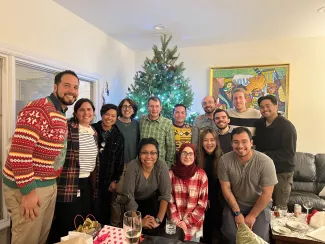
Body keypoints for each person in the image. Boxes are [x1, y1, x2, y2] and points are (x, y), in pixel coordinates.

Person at [2, 70, 79, 244]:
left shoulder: (59, 112)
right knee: (26, 239)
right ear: (55, 87)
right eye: (67, 85)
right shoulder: (39, 109)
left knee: (40, 238)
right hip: (30, 187)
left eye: (75, 87)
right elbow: (19, 153)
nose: (72, 90)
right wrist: (28, 191)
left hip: (47, 184)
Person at [48, 98, 98, 242]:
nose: (86, 113)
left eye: (89, 109)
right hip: (69, 183)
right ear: (76, 112)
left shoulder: (93, 132)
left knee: (84, 223)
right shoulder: (68, 128)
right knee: (67, 224)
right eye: (82, 109)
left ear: (93, 112)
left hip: (87, 184)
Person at [218, 127, 278, 243]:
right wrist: (237, 212)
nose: (240, 146)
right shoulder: (224, 161)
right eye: (236, 142)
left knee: (258, 238)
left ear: (251, 143)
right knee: (231, 235)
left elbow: (267, 193)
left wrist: (252, 215)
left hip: (259, 204)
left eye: (244, 142)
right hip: (235, 203)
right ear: (231, 143)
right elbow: (226, 188)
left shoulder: (266, 162)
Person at [122, 138, 171, 235]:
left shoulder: (161, 166)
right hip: (133, 206)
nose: (149, 156)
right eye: (144, 152)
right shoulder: (133, 166)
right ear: (139, 155)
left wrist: (158, 220)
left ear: (157, 155)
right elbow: (128, 196)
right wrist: (138, 222)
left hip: (153, 203)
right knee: (135, 234)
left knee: (156, 234)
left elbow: (165, 195)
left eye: (153, 153)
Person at [255, 95, 297, 206]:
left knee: (279, 207)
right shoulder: (259, 124)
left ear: (276, 106)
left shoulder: (287, 127)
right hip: (263, 171)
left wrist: (264, 155)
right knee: (263, 205)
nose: (265, 109)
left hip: (282, 173)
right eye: (262, 107)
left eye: (268, 106)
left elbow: (288, 153)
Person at [92, 104, 125, 225]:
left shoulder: (118, 136)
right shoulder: (92, 129)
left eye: (113, 116)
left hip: (108, 179)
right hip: (91, 177)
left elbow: (119, 160)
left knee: (104, 210)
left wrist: (115, 180)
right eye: (107, 114)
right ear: (102, 114)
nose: (109, 118)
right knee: (91, 209)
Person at [169, 143, 208, 242]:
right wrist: (178, 222)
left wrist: (186, 223)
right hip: (175, 224)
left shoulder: (201, 175)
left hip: (194, 225)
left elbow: (202, 205)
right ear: (179, 155)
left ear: (194, 156)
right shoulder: (171, 175)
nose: (187, 156)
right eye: (184, 153)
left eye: (190, 154)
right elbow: (169, 201)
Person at [112, 98, 140, 226]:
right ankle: (116, 226)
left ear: (133, 109)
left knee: (130, 197)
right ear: (120, 108)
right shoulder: (114, 123)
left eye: (130, 106)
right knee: (118, 197)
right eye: (124, 106)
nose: (127, 109)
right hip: (118, 166)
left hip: (134, 165)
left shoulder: (136, 124)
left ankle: (129, 227)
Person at [197, 128, 223, 244]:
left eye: (212, 140)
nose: (209, 143)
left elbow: (219, 184)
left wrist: (210, 199)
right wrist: (205, 198)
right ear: (201, 143)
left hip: (218, 198)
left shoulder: (223, 158)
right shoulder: (197, 159)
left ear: (216, 141)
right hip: (201, 198)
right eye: (205, 140)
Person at [140, 96, 175, 167]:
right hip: (143, 162)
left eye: (157, 106)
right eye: (151, 106)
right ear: (147, 107)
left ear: (160, 108)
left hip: (159, 164)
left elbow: (171, 146)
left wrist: (168, 165)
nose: (154, 109)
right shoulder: (142, 121)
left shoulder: (167, 123)